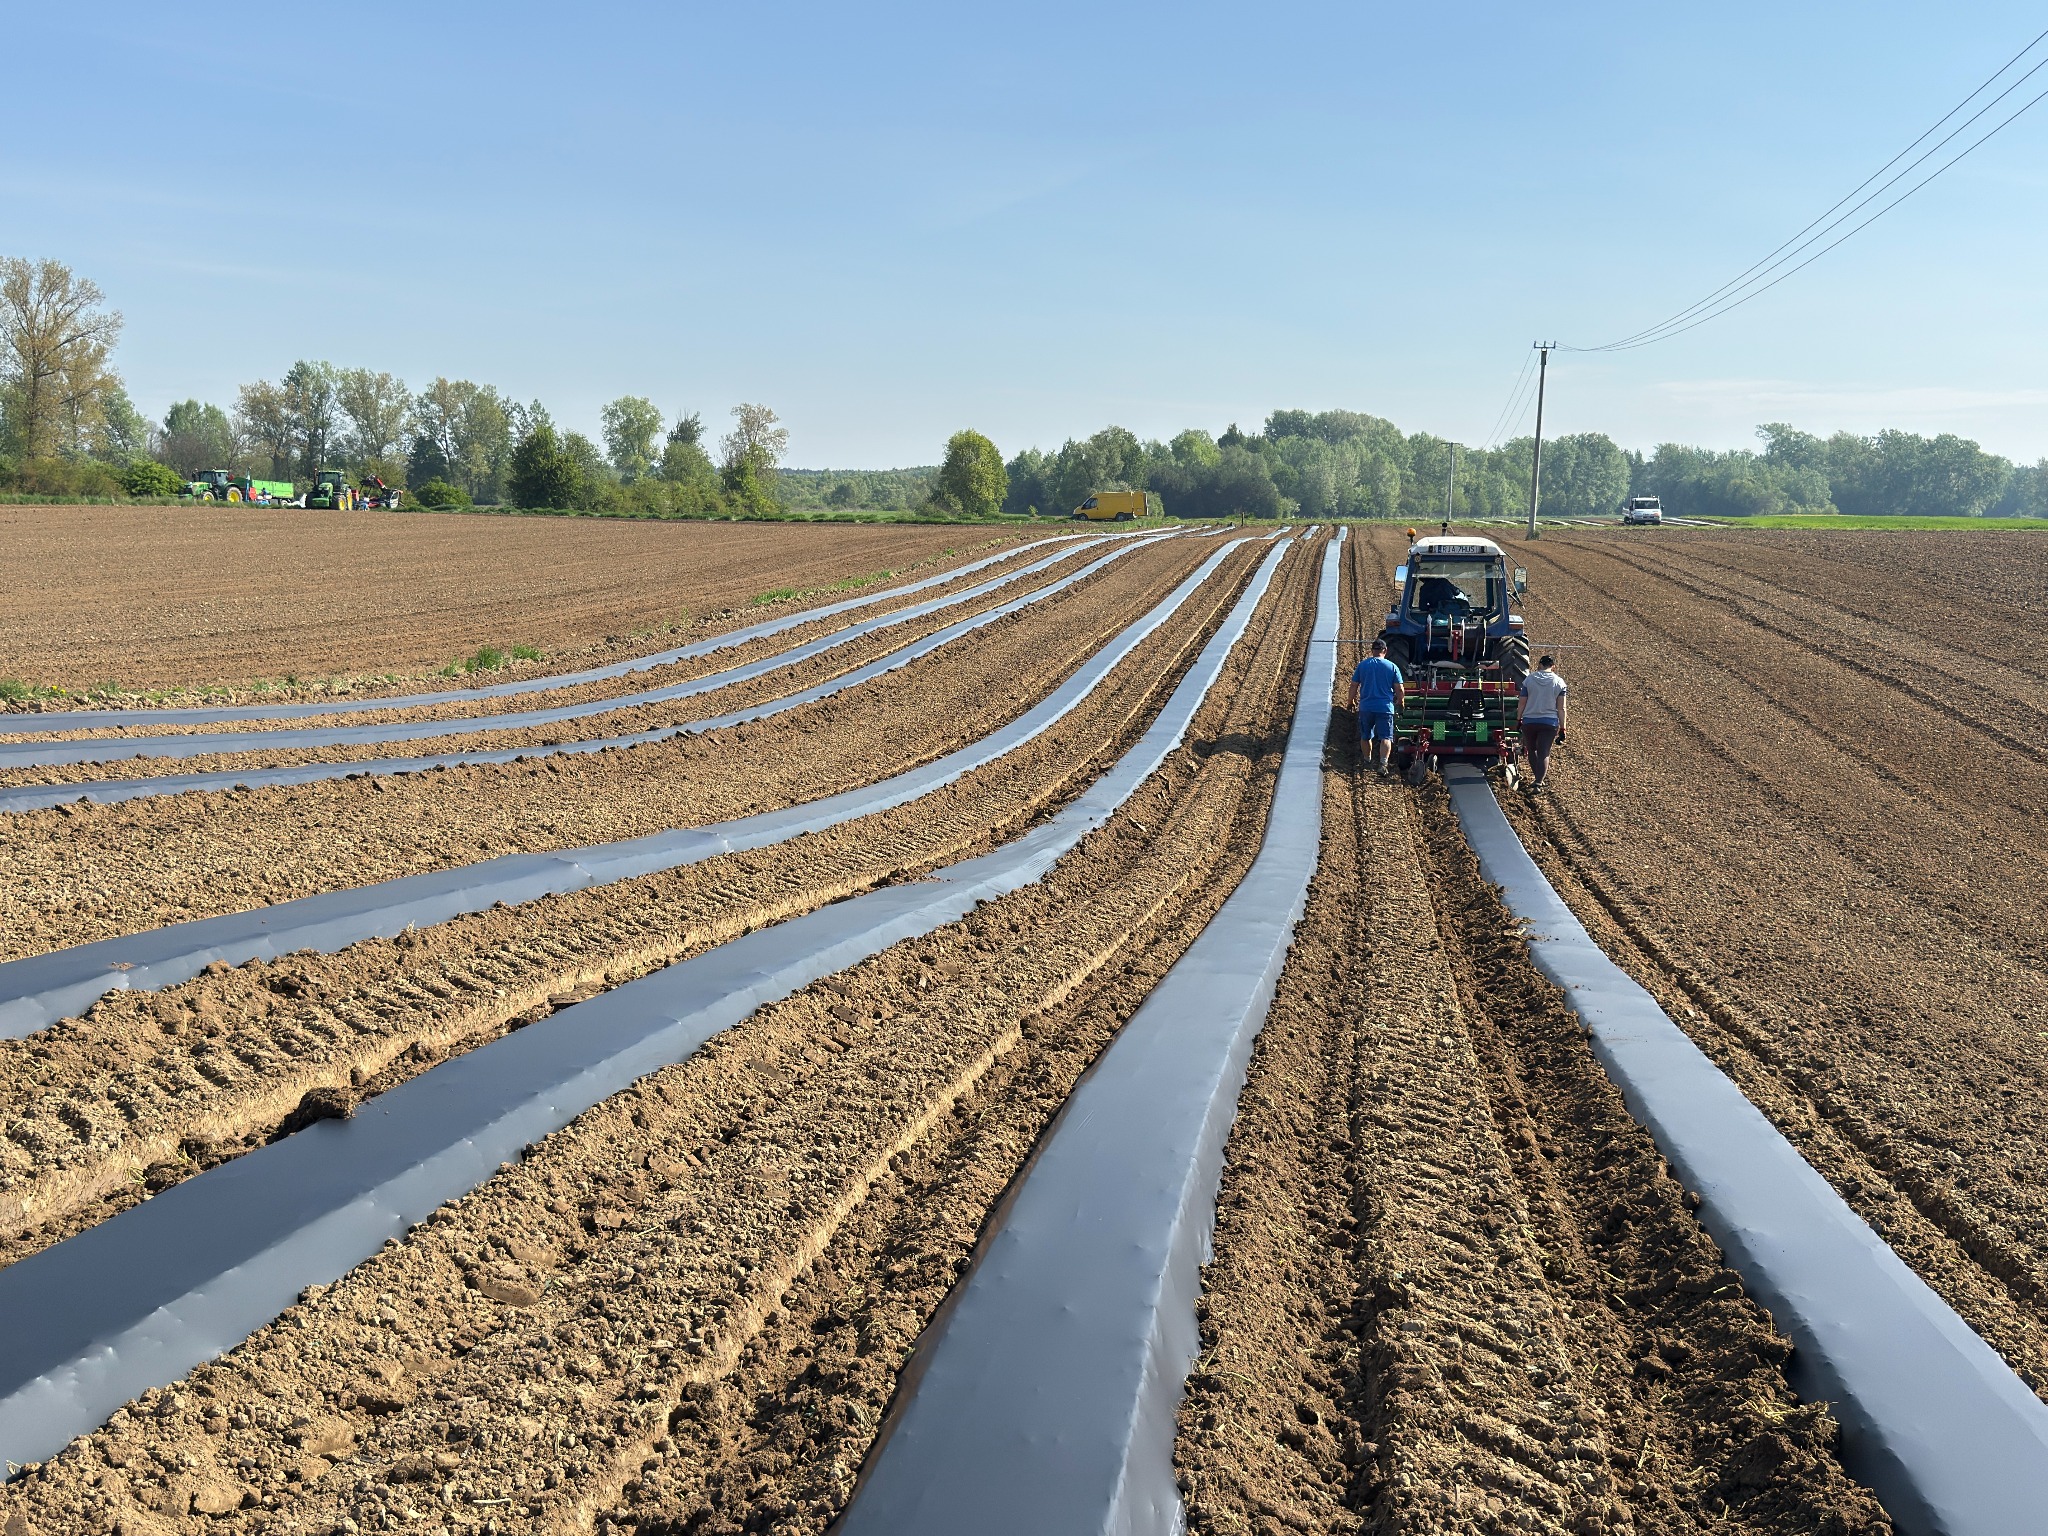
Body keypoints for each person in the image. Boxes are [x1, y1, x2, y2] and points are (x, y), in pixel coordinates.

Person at [1347, 638, 1406, 776]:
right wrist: (1401, 701)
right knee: (1386, 737)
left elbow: (1354, 685)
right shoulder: (1392, 667)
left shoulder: (1363, 665)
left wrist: (1350, 701)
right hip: (1385, 708)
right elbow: (1399, 689)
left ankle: (1367, 761)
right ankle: (1383, 764)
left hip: (1366, 707)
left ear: (1372, 650)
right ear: (1385, 650)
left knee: (1366, 736)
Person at [1518, 654, 1568, 789]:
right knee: (1544, 752)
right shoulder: (1559, 682)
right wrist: (1563, 728)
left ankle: (1537, 779)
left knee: (1532, 750)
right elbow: (1561, 708)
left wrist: (1518, 719)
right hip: (1549, 723)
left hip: (1529, 721)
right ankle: (1539, 782)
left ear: (1539, 665)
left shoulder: (1529, 680)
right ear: (1553, 667)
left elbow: (1522, 703)